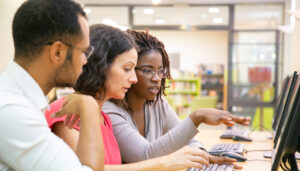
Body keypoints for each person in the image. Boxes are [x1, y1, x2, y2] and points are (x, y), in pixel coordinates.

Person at [45, 24, 221, 171]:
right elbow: (87, 169)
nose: (134, 79)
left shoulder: (102, 117)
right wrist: (166, 162)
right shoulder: (67, 112)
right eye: (127, 68)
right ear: (101, 66)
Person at [103, 30, 250, 167]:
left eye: (161, 70)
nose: (157, 78)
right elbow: (145, 155)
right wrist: (197, 118)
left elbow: (187, 139)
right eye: (148, 70)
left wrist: (203, 155)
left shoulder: (157, 104)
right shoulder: (109, 111)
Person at [0, 0, 104, 170]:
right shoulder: (11, 109)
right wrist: (89, 106)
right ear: (58, 52)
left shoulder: (20, 98)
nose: (85, 61)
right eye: (83, 52)